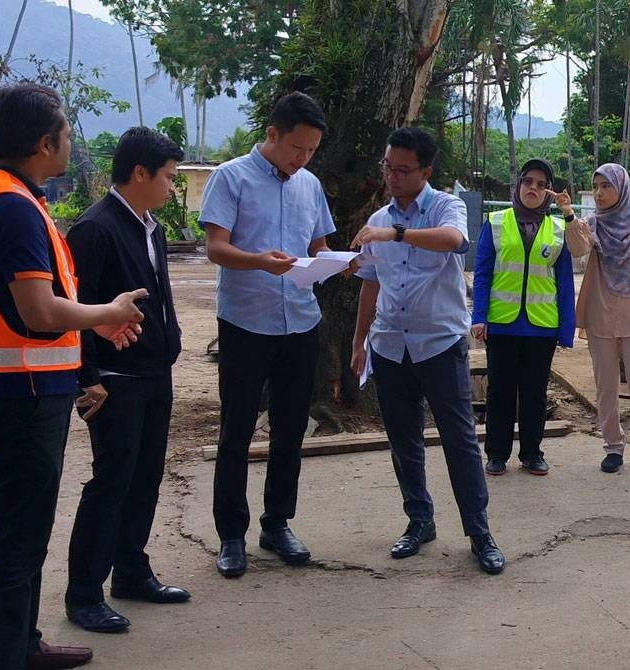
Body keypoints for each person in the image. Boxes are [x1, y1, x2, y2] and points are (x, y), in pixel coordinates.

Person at [0, 83, 147, 670]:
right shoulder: (12, 207)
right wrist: (107, 313)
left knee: (25, 528)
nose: (71, 141)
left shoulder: (1, 192)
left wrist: (92, 334)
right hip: (22, 393)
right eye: (67, 132)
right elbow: (39, 311)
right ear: (45, 143)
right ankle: (4, 657)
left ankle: (21, 643)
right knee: (19, 536)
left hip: (22, 388)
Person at [350, 127, 505, 574]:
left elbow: (455, 241)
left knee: (459, 440)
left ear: (425, 171)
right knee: (404, 440)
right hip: (391, 346)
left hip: (439, 344)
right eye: (387, 167)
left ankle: (479, 532)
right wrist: (360, 341)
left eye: (402, 170)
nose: (392, 177)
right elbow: (371, 285)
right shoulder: (380, 218)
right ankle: (419, 520)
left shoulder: (445, 206)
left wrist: (394, 234)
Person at [200, 91, 335, 578]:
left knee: (290, 426)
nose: (303, 159)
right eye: (297, 147)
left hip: (300, 320)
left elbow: (318, 244)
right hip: (245, 321)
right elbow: (216, 247)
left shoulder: (310, 185)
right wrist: (258, 260)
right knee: (236, 429)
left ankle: (277, 523)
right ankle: (231, 535)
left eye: (312, 151)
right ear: (273, 134)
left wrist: (332, 263)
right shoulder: (230, 176)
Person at [62, 127, 188, 633]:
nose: (171, 188)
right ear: (140, 173)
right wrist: (86, 376)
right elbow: (75, 308)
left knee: (145, 478)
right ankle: (84, 592)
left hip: (154, 373)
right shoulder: (95, 229)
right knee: (111, 481)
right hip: (114, 379)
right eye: (169, 178)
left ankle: (131, 571)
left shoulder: (150, 226)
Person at [558, 163, 630, 474]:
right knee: (605, 385)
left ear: (621, 188)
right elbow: (578, 249)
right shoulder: (591, 225)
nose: (599, 193)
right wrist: (569, 214)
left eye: (605, 186)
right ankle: (613, 447)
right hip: (601, 315)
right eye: (595, 186)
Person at [470, 158, 575, 476]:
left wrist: (566, 329)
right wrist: (479, 315)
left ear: (549, 192)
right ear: (519, 186)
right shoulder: (497, 222)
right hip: (502, 324)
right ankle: (497, 454)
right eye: (528, 182)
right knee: (500, 391)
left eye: (542, 184)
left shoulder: (558, 230)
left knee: (534, 392)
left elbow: (565, 283)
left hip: (542, 326)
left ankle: (532, 452)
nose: (534, 188)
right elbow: (483, 273)